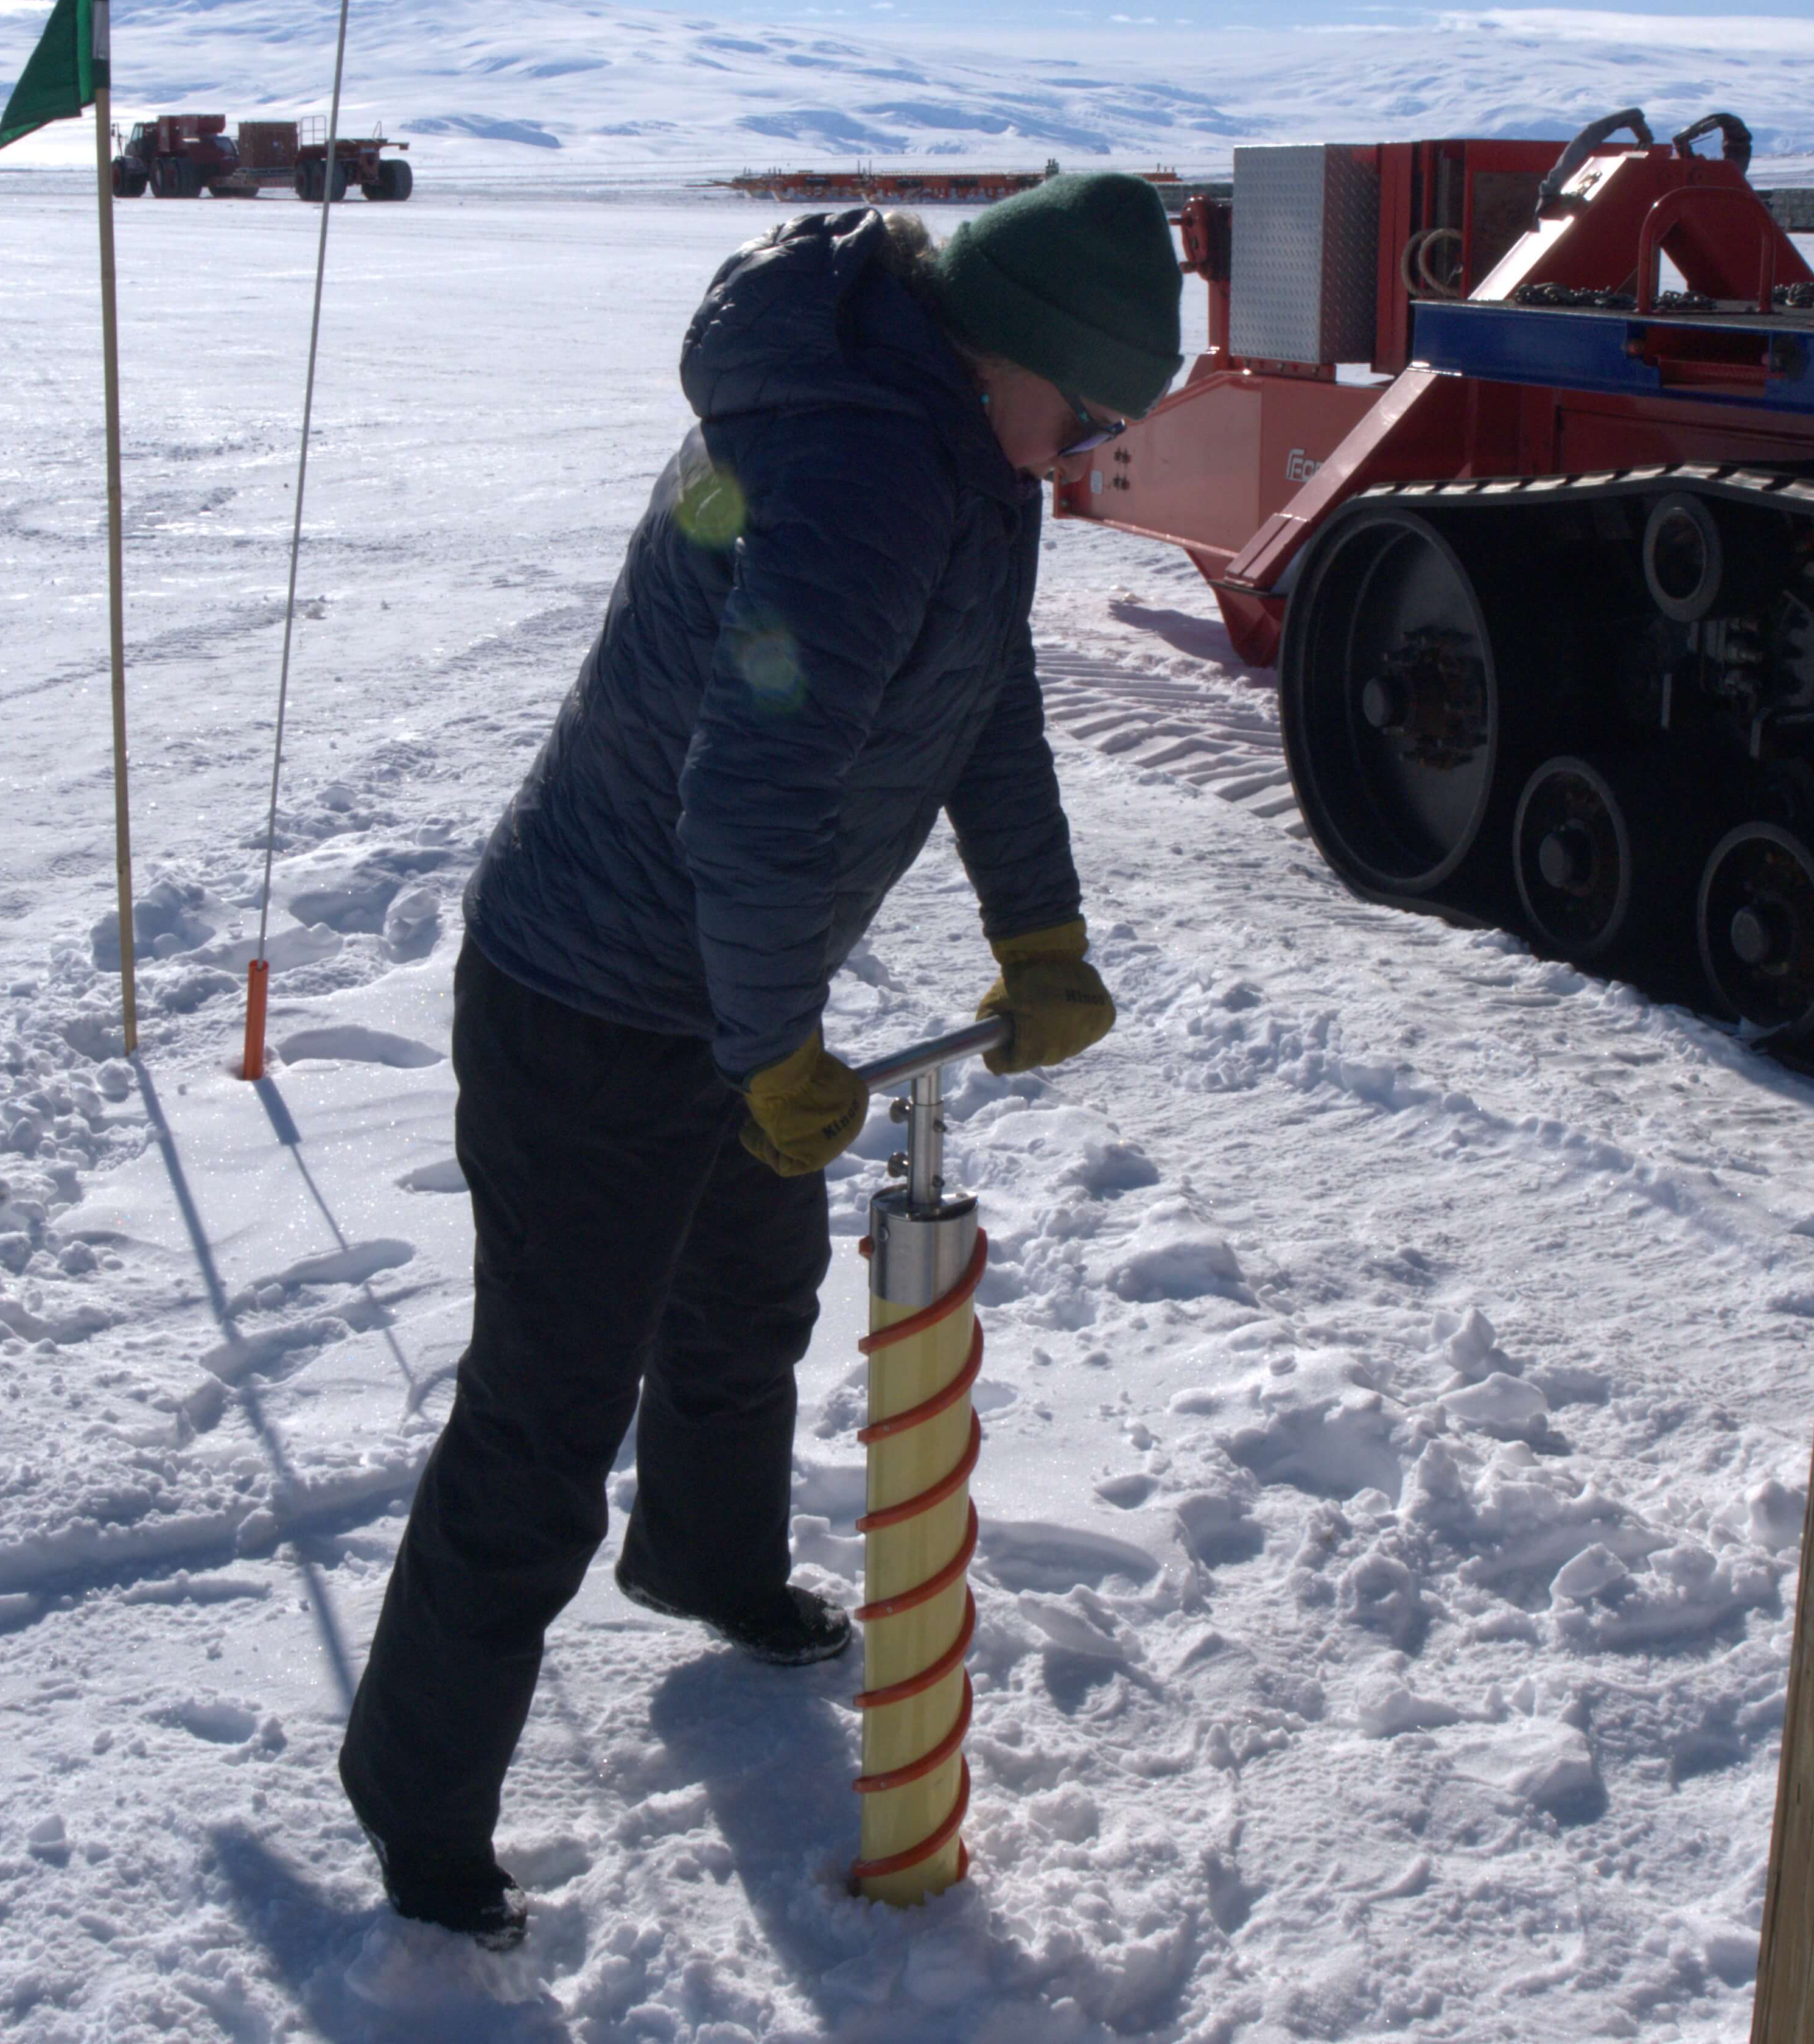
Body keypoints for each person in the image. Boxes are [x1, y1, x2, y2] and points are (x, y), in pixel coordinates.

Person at [335, 173, 1184, 1945]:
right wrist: (769, 1045)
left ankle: (705, 1563)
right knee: (546, 1410)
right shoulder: (866, 466)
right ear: (1008, 350)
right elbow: (758, 786)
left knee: (745, 1292)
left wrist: (1039, 930)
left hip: (725, 982)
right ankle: (414, 1803)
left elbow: (984, 698)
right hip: (588, 1000)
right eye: (1090, 413)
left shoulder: (965, 444)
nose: (1087, 453)